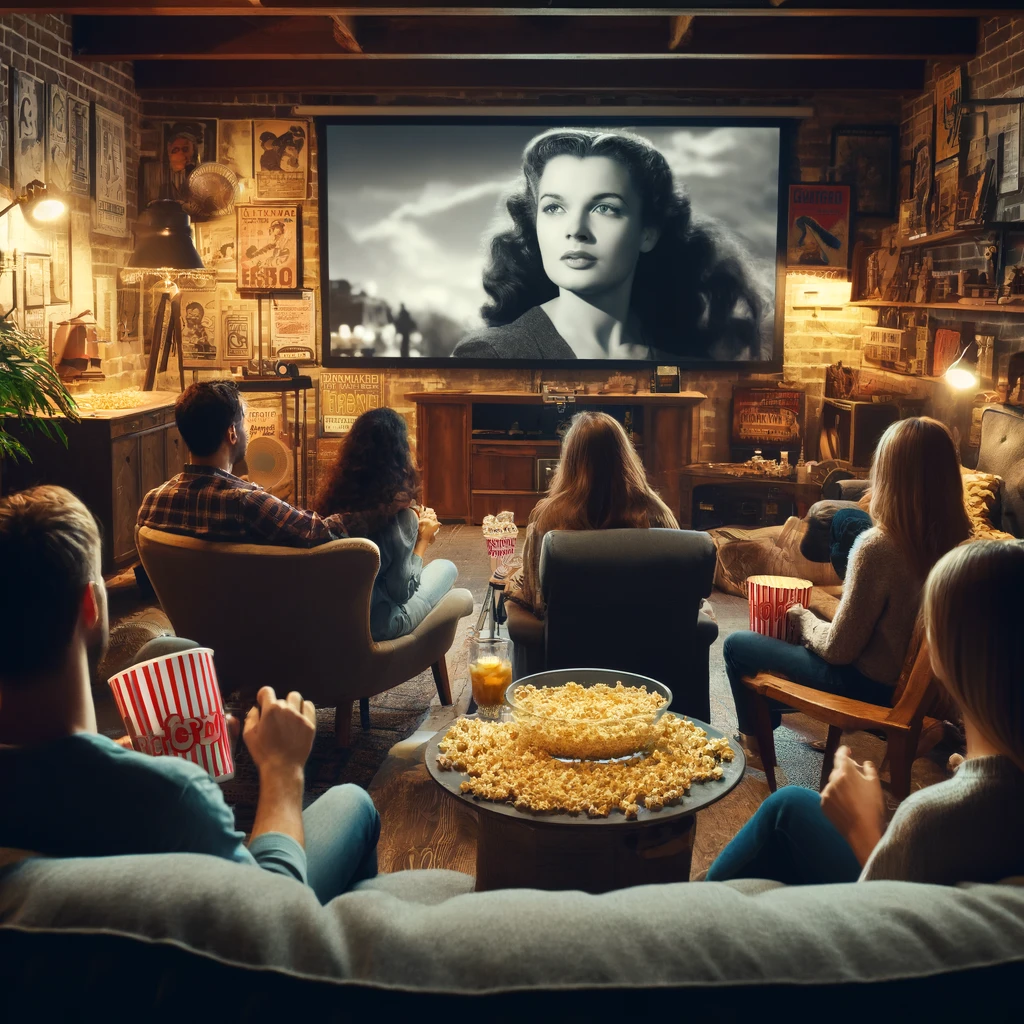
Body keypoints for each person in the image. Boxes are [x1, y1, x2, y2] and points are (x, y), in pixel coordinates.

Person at [0, 486, 380, 904]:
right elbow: (271, 914)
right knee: (353, 802)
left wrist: (111, 750)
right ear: (90, 606)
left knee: (168, 651)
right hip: (239, 927)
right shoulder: (172, 796)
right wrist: (281, 771)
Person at [707, 538, 1024, 886]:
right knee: (790, 803)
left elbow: (881, 913)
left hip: (883, 888)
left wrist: (865, 829)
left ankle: (700, 906)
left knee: (739, 648)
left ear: (943, 659)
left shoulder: (930, 820)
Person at [725, 417, 972, 754]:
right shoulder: (962, 546)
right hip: (917, 691)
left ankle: (754, 744)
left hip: (864, 686)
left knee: (738, 645)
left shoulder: (879, 546)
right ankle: (767, 714)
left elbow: (838, 651)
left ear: (889, 477)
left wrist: (803, 617)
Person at [452, 127, 770, 362]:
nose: (575, 230)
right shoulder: (491, 355)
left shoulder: (681, 361)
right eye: (554, 208)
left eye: (605, 208)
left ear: (648, 232)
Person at [505, 410, 679, 625]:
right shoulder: (658, 513)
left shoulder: (548, 518)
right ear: (626, 456)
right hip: (649, 645)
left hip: (570, 646)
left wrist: (515, 584)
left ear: (570, 461)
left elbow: (537, 600)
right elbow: (679, 592)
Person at [138, 379, 354, 547]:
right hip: (250, 604)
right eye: (244, 421)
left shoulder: (153, 502)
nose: (247, 430)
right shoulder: (247, 503)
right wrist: (380, 513)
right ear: (232, 433)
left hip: (182, 604)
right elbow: (319, 531)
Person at [314, 408, 457, 642]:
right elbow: (401, 592)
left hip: (335, 621)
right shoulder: (401, 516)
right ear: (400, 454)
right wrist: (422, 540)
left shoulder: (334, 500)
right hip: (379, 625)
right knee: (446, 567)